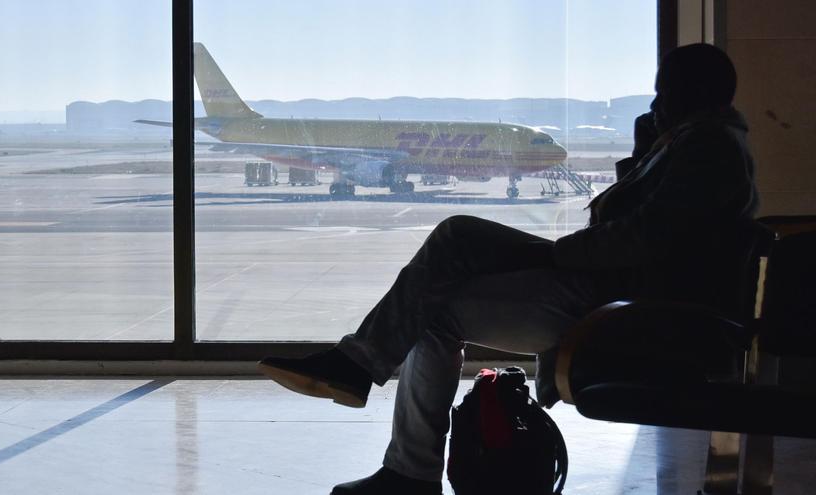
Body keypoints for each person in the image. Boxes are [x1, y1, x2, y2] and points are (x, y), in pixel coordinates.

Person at [259, 43, 759, 495]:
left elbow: (641, 237)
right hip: (607, 283)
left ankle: (399, 453)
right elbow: (643, 225)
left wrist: (561, 252)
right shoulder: (697, 142)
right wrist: (645, 152)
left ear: (693, 93)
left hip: (617, 301)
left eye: (662, 92)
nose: (654, 105)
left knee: (436, 301)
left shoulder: (709, 148)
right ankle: (360, 370)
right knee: (458, 235)